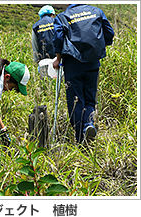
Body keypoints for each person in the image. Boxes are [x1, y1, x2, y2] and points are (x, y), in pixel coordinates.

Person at [52, 4, 114, 143]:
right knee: (90, 98)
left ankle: (81, 140)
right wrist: (102, 46)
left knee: (76, 101)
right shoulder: (97, 11)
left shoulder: (63, 17)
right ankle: (89, 125)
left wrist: (58, 58)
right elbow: (109, 32)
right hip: (93, 62)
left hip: (73, 64)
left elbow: (58, 38)